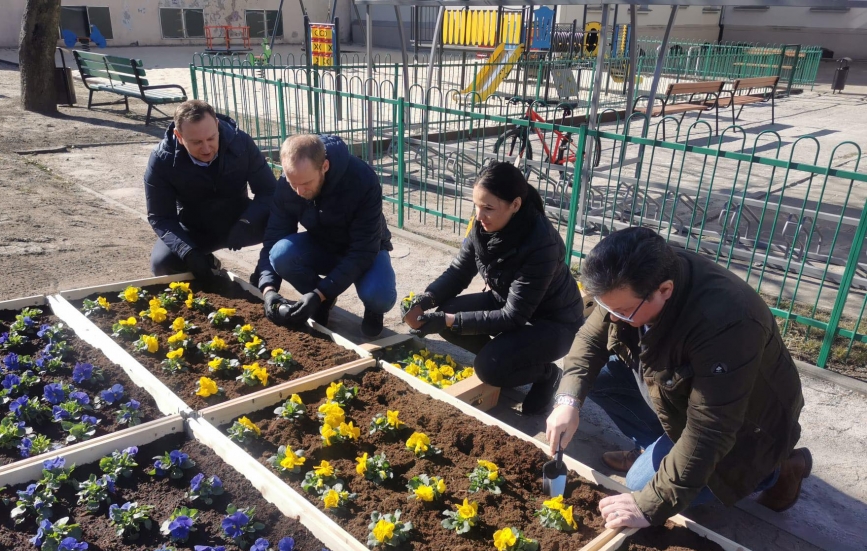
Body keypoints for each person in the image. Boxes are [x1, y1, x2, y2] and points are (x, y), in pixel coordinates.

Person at [545, 227, 811, 530]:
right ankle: (659, 450)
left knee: (641, 486)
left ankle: (777, 470)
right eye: (607, 307)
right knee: (597, 379)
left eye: (623, 310)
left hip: (749, 427)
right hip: (682, 396)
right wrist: (567, 401)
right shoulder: (633, 277)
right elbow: (590, 340)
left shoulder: (727, 324)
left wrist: (649, 505)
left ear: (665, 290)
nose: (614, 317)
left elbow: (711, 429)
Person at [402, 161, 585, 415]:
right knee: (448, 313)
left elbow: (514, 316)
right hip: (508, 300)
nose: (479, 216)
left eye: (488, 208)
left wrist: (449, 320)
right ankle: (507, 360)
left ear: (515, 205)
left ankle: (547, 374)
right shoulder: (483, 227)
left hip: (553, 323)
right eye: (476, 206)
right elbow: (459, 271)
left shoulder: (541, 243)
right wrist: (426, 299)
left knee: (487, 367)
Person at [253, 134, 396, 337]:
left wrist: (320, 292)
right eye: (293, 183)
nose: (299, 191)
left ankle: (371, 310)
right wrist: (268, 289)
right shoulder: (289, 183)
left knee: (379, 296)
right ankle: (323, 302)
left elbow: (363, 250)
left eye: (306, 183)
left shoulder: (361, 179)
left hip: (367, 249)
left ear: (325, 166)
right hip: (323, 244)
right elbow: (274, 236)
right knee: (280, 254)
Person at [144, 100, 276, 281]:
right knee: (162, 264)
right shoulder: (162, 159)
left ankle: (262, 277)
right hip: (195, 227)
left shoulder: (240, 142)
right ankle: (208, 264)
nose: (206, 148)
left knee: (284, 224)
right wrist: (188, 251)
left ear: (217, 125)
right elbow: (161, 217)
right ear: (179, 136)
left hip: (241, 220)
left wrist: (247, 221)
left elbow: (269, 191)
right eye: (196, 142)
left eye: (211, 138)